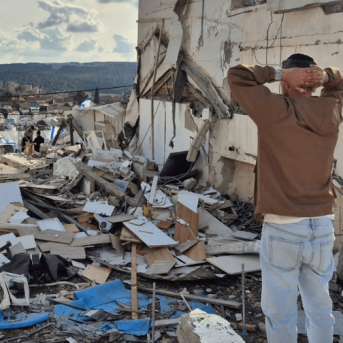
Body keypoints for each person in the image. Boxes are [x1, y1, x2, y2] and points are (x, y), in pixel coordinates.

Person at [227, 54, 343, 343]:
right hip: (323, 227)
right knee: (320, 308)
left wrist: (279, 73)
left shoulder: (273, 111)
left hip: (283, 228)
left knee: (280, 313)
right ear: (314, 85)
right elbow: (339, 82)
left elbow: (238, 75)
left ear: (288, 84)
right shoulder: (331, 111)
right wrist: (325, 77)